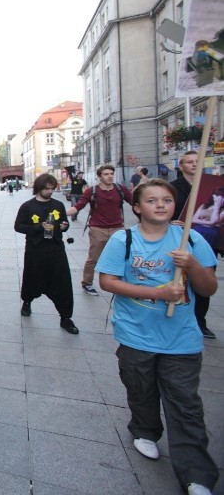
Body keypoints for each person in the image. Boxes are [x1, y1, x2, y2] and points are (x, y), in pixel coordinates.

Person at [96, 179, 219, 495]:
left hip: (181, 338)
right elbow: (108, 281)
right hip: (136, 334)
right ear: (137, 207)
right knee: (140, 388)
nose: (161, 205)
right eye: (152, 200)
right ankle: (145, 429)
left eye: (167, 199)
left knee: (185, 405)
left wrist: (190, 265)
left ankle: (196, 474)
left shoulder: (189, 239)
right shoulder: (123, 240)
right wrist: (156, 292)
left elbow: (208, 288)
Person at [14, 174, 78, 334]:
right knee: (31, 278)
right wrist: (37, 228)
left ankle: (65, 317)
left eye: (52, 188)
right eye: (46, 188)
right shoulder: (27, 206)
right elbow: (18, 226)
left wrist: (64, 226)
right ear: (38, 188)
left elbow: (64, 222)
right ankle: (27, 301)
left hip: (56, 249)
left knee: (63, 284)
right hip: (35, 251)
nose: (50, 191)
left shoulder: (58, 205)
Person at [66, 164, 133, 295]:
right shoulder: (92, 191)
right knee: (93, 258)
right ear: (99, 177)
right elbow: (77, 207)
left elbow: (135, 203)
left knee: (123, 257)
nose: (109, 176)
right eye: (106, 174)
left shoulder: (120, 189)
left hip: (118, 228)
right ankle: (87, 283)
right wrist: (59, 213)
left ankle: (123, 283)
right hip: (98, 228)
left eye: (111, 174)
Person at [171, 151, 216, 339]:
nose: (194, 165)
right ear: (181, 166)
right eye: (189, 162)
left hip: (205, 237)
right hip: (180, 237)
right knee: (180, 278)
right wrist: (170, 221)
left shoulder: (211, 186)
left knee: (203, 276)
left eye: (197, 161)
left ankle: (200, 320)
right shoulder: (173, 187)